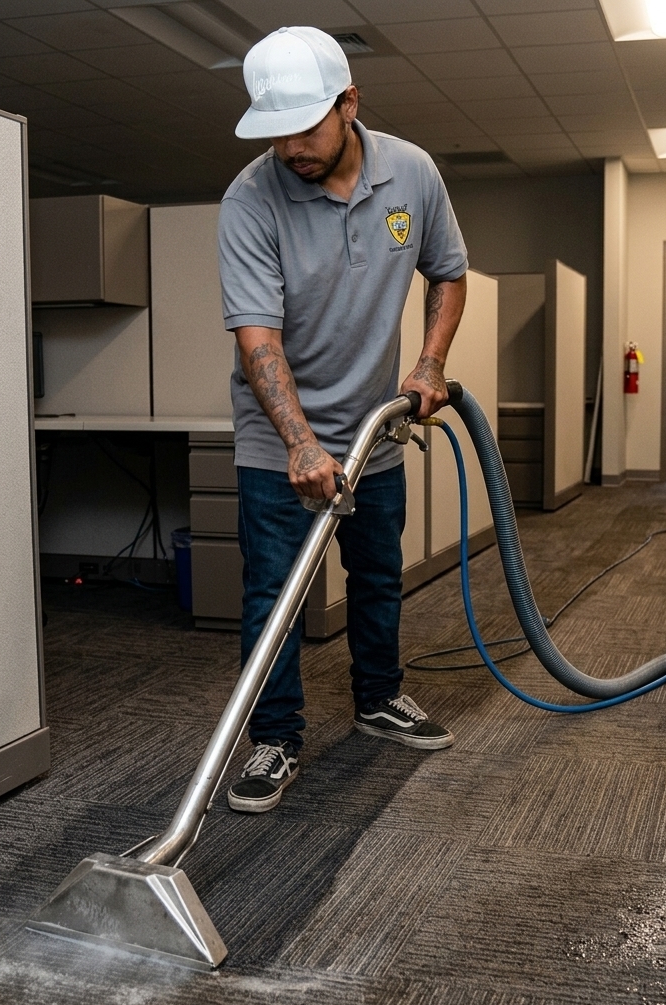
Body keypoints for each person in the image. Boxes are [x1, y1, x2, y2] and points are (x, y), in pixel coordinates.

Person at [217, 26, 468, 813]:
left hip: (374, 432)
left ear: (349, 102)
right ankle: (275, 739)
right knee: (274, 595)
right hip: (277, 442)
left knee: (379, 576)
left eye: (306, 128)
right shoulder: (249, 200)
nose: (291, 148)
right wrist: (299, 443)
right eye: (276, 132)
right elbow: (258, 339)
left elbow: (448, 273)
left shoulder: (412, 172)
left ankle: (378, 699)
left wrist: (429, 363)